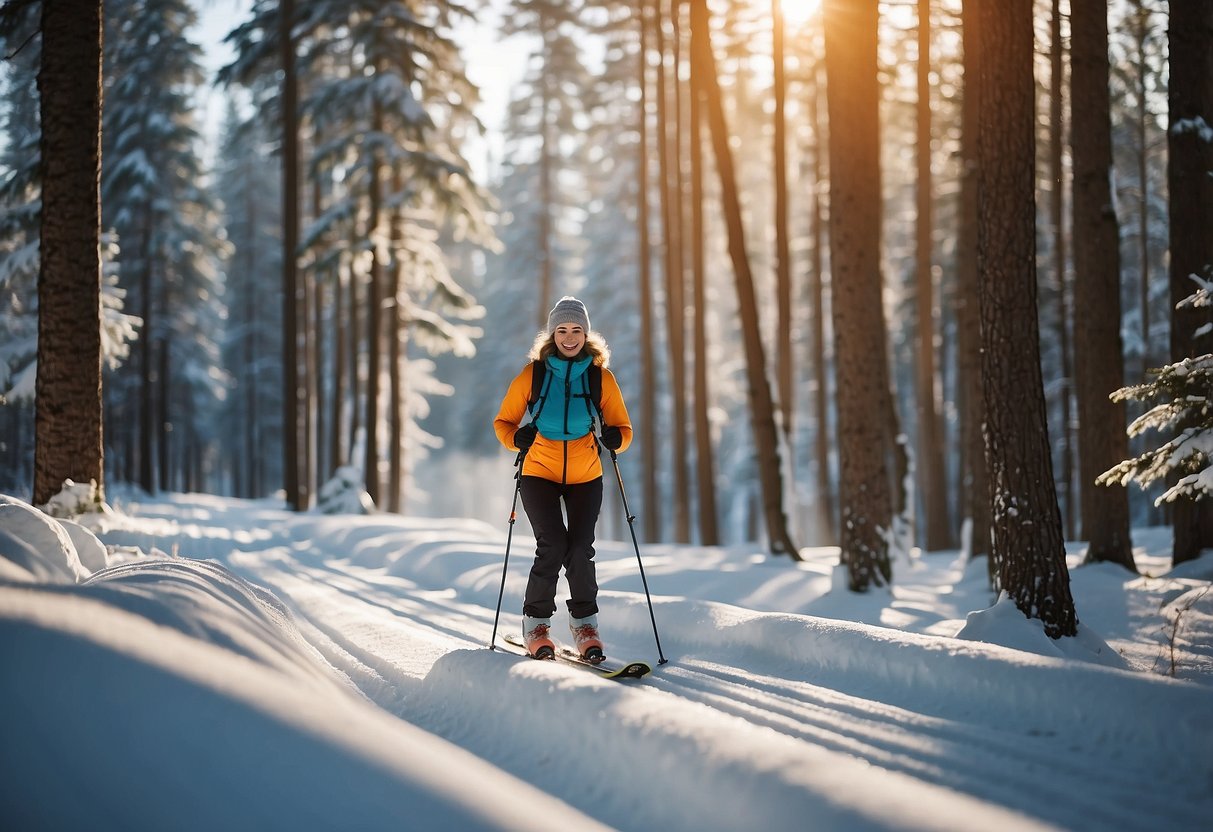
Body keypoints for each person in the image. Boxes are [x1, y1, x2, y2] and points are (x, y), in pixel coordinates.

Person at [493, 296, 632, 661]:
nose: (569, 337)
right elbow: (503, 423)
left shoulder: (601, 379)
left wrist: (618, 438)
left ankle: (585, 627)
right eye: (562, 330)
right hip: (539, 471)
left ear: (585, 334)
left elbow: (622, 427)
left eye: (576, 330)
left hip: (587, 474)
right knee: (552, 544)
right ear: (551, 334)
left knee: (580, 549)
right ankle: (536, 625)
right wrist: (515, 438)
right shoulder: (533, 376)